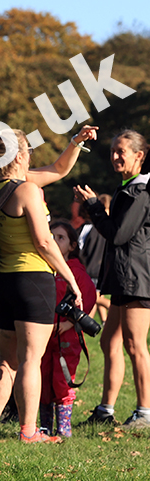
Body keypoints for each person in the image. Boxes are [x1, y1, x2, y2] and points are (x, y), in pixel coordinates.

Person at [0, 126, 95, 444]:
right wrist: (70, 277)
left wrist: (74, 143)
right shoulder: (27, 190)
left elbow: (58, 169)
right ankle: (29, 431)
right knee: (31, 359)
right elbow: (44, 242)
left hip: (4, 284)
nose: (31, 159)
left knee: (7, 360)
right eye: (29, 153)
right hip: (33, 281)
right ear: (20, 155)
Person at [74, 129, 150, 429]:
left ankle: (144, 413)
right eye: (113, 151)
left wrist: (93, 205)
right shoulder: (127, 187)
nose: (115, 156)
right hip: (122, 278)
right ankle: (105, 410)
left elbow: (118, 234)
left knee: (135, 345)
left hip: (136, 279)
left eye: (122, 151)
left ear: (138, 156)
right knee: (110, 341)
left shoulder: (141, 192)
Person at [39, 219, 97, 437]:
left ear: (73, 246)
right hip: (44, 336)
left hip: (67, 339)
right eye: (51, 236)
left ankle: (64, 427)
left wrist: (70, 323)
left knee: (62, 380)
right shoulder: (43, 268)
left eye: (60, 237)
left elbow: (89, 298)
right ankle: (44, 425)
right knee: (43, 380)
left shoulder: (77, 273)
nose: (54, 240)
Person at [78, 194, 112, 322]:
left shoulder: (89, 228)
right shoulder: (108, 230)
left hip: (90, 269)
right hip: (101, 269)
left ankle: (114, 309)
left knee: (93, 297)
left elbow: (79, 247)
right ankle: (103, 322)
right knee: (95, 297)